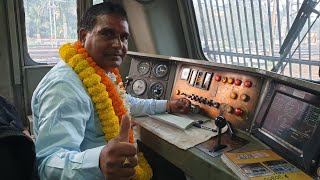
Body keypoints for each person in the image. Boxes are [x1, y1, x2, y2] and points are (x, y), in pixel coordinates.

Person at [31, 2, 190, 180]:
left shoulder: (101, 72)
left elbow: (125, 103)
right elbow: (48, 165)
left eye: (123, 37)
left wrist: (168, 105)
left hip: (117, 163)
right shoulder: (64, 88)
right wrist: (98, 162)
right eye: (107, 34)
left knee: (170, 168)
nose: (118, 44)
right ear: (83, 36)